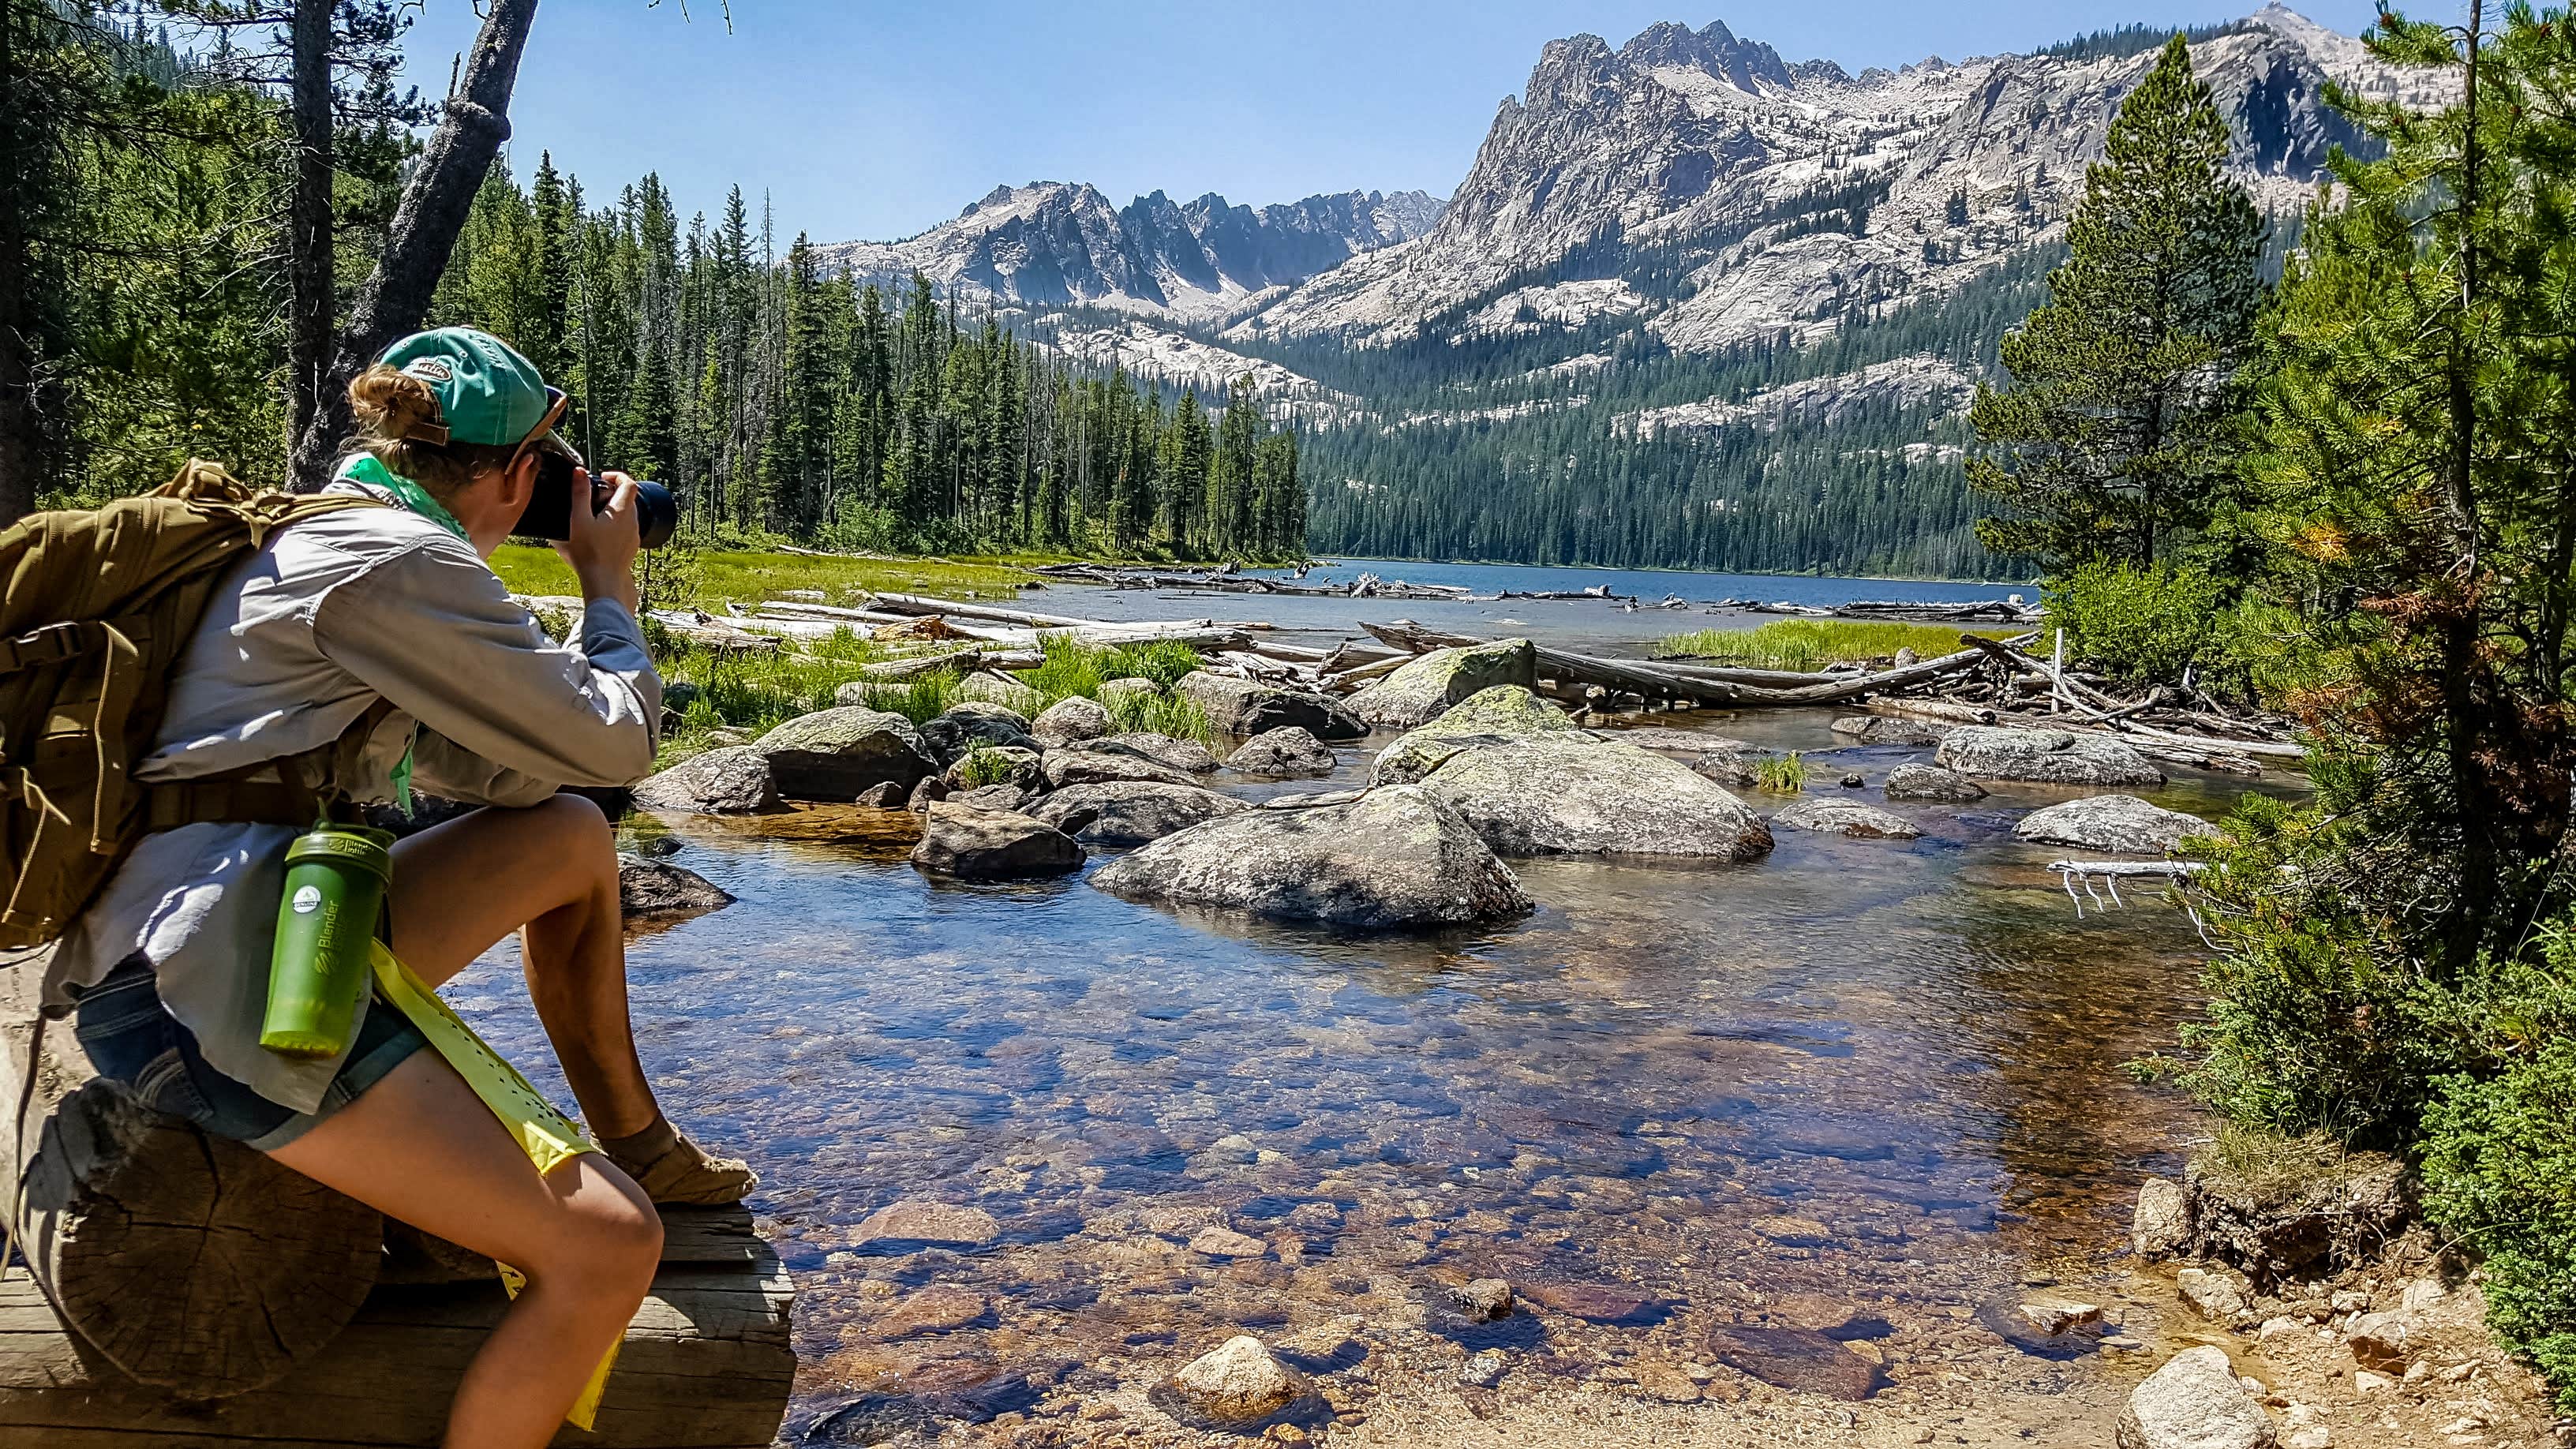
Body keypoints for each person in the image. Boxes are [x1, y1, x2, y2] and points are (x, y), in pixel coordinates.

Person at [44, 327, 752, 1447]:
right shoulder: (396, 563)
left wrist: (534, 696)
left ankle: (638, 1138)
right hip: (200, 998)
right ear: (520, 474)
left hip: (232, 938)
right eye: (547, 475)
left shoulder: (323, 533)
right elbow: (616, 746)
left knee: (566, 836)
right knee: (608, 1249)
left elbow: (524, 776)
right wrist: (607, 587)